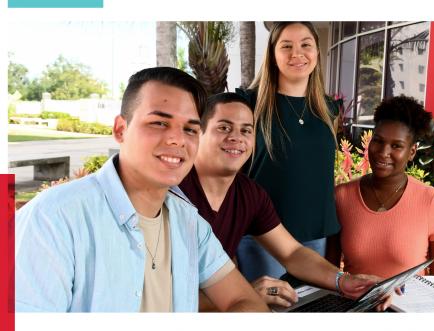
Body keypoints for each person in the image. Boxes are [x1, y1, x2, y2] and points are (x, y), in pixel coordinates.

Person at [15, 67, 269, 312]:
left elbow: (244, 300)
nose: (177, 139)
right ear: (120, 129)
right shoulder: (53, 218)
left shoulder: (189, 223)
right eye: (159, 123)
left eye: (190, 129)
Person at [179, 92, 393, 311]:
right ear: (198, 133)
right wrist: (243, 296)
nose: (236, 137)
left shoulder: (248, 193)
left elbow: (292, 252)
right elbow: (158, 293)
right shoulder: (175, 192)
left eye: (246, 130)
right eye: (224, 128)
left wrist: (344, 281)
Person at [235, 22, 341, 282]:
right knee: (266, 311)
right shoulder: (249, 104)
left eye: (306, 45)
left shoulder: (328, 109)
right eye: (286, 46)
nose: (297, 53)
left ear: (317, 52)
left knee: (306, 309)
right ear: (272, 54)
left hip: (316, 234)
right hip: (263, 237)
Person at [327, 96, 434, 278]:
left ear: (411, 152)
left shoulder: (432, 203)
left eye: (396, 146)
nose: (383, 152)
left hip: (410, 306)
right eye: (378, 141)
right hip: (352, 305)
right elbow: (328, 274)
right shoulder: (341, 197)